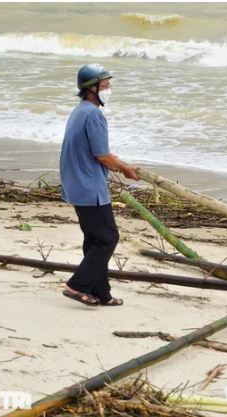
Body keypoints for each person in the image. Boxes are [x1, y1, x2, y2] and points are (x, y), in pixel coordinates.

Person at [59, 63, 138, 307]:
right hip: (89, 186)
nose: (108, 89)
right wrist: (125, 168)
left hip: (75, 184)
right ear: (91, 89)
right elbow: (102, 155)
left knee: (94, 240)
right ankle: (77, 285)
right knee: (107, 238)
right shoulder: (94, 115)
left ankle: (101, 293)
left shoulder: (79, 111)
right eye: (104, 85)